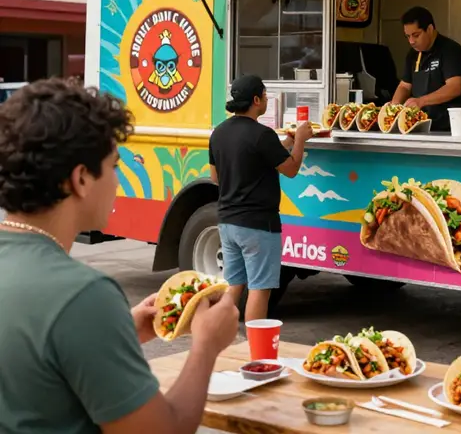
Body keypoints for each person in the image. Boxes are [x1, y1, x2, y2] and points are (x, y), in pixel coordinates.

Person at [0, 78, 239, 434]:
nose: (118, 180)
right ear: (81, 180)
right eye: (113, 166)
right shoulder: (83, 295)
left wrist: (120, 330)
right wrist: (206, 346)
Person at [209, 74, 312, 322]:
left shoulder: (219, 133)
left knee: (234, 285)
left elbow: (216, 178)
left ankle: (214, 335)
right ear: (256, 100)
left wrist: (284, 143)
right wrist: (300, 140)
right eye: (265, 95)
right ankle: (257, 352)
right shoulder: (261, 134)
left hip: (227, 221)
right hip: (258, 225)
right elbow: (291, 169)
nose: (267, 99)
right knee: (259, 289)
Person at [391, 6, 461, 132]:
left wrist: (421, 101)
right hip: (420, 125)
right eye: (407, 36)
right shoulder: (413, 54)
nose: (411, 41)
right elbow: (404, 86)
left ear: (429, 29)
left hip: (450, 128)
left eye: (416, 35)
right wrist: (394, 107)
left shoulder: (450, 50)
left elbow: (454, 87)